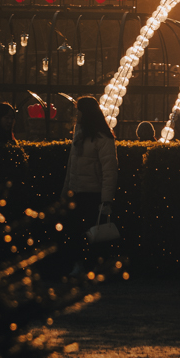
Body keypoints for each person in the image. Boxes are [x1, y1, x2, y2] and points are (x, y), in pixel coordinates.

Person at [59, 96, 118, 278]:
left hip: (92, 193)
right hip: (81, 191)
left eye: (79, 112)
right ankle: (86, 266)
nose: (76, 115)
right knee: (81, 232)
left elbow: (109, 171)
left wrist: (106, 199)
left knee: (87, 232)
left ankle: (86, 266)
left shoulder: (97, 138)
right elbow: (72, 166)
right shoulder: (83, 134)